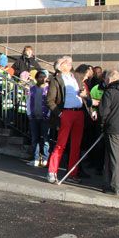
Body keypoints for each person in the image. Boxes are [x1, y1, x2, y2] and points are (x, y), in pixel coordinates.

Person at [46, 56, 87, 184]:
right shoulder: (56, 80)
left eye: (69, 61)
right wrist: (60, 114)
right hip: (66, 113)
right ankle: (52, 171)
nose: (70, 63)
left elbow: (84, 94)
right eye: (66, 62)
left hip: (79, 113)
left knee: (76, 145)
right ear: (60, 66)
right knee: (61, 144)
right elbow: (50, 100)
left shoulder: (76, 77)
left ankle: (72, 173)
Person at [26, 70, 50, 167]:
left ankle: (45, 159)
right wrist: (29, 113)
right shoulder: (32, 89)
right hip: (34, 117)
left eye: (44, 77)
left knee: (45, 139)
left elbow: (50, 102)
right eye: (40, 77)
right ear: (36, 78)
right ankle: (36, 159)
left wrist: (48, 114)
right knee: (35, 138)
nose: (42, 78)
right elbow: (28, 101)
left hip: (45, 118)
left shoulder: (48, 89)